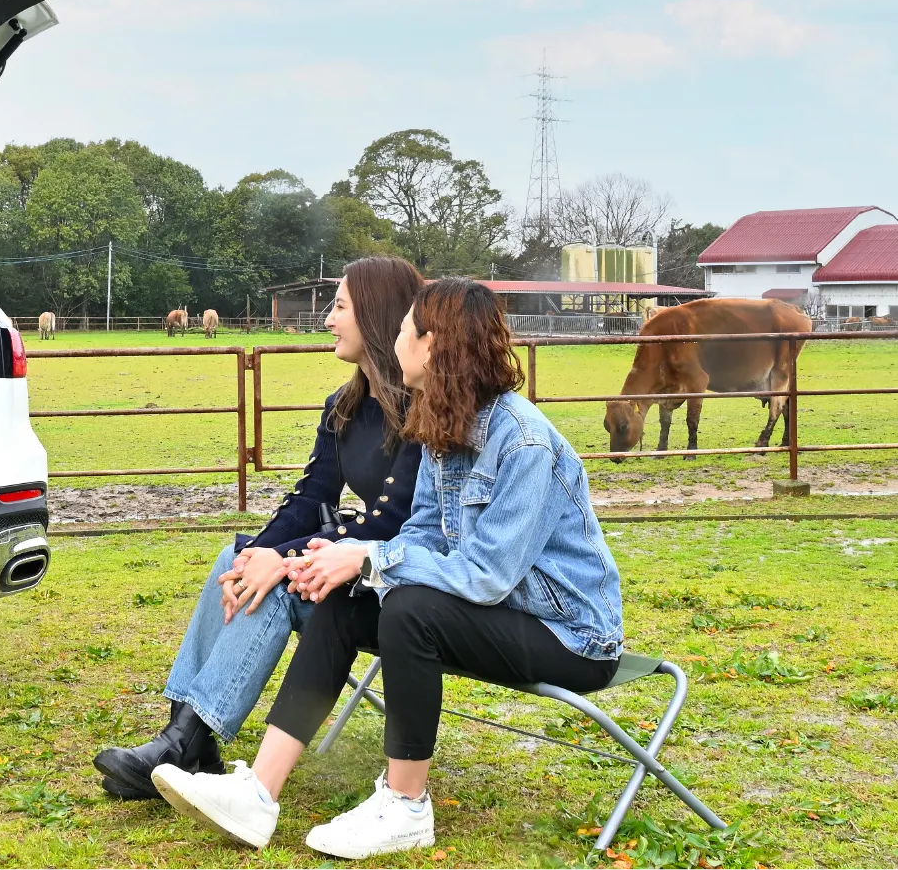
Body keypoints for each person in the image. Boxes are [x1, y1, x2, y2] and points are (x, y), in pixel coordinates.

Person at [149, 278, 626, 860]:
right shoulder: (442, 426)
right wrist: (346, 564)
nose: (395, 336)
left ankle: (405, 806)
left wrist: (371, 556)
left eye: (405, 328)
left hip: (569, 635)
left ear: (432, 345)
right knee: (350, 594)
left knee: (408, 605)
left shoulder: (524, 442)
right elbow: (423, 531)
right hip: (491, 617)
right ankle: (258, 793)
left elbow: (487, 574)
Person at [93, 257, 427, 799]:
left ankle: (188, 744)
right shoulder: (344, 406)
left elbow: (390, 522)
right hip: (347, 565)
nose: (326, 319)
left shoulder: (425, 411)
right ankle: (186, 735)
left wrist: (283, 559)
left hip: (398, 578)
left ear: (376, 313)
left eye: (339, 306)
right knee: (238, 560)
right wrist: (262, 550)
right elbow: (311, 496)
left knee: (270, 580)